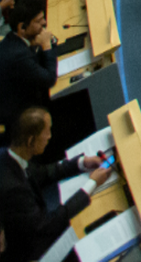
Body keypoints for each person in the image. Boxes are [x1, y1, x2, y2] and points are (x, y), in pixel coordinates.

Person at [0, 106, 114, 262]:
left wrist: (80, 163)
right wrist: (91, 185)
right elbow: (46, 226)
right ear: (30, 140)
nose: (49, 137)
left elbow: (43, 172)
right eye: (46, 132)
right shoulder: (15, 190)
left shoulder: (9, 155)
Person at [0, 0, 58, 129]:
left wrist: (46, 44)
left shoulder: (13, 39)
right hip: (16, 115)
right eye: (38, 21)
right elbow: (49, 79)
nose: (44, 23)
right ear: (22, 27)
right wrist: (47, 45)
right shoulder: (18, 54)